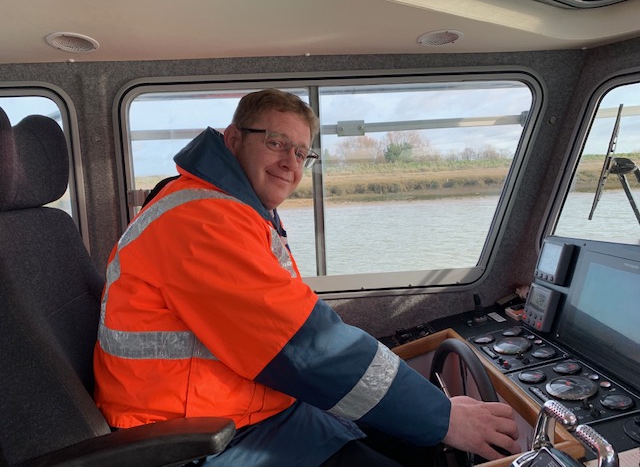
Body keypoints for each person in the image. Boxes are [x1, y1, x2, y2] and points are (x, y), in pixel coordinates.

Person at [93, 89, 521, 466]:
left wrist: (434, 416)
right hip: (195, 438)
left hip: (243, 408)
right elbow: (304, 345)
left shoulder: (237, 211)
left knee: (413, 445)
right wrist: (442, 416)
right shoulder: (203, 222)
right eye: (276, 143)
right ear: (233, 139)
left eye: (301, 153)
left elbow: (295, 331)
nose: (289, 163)